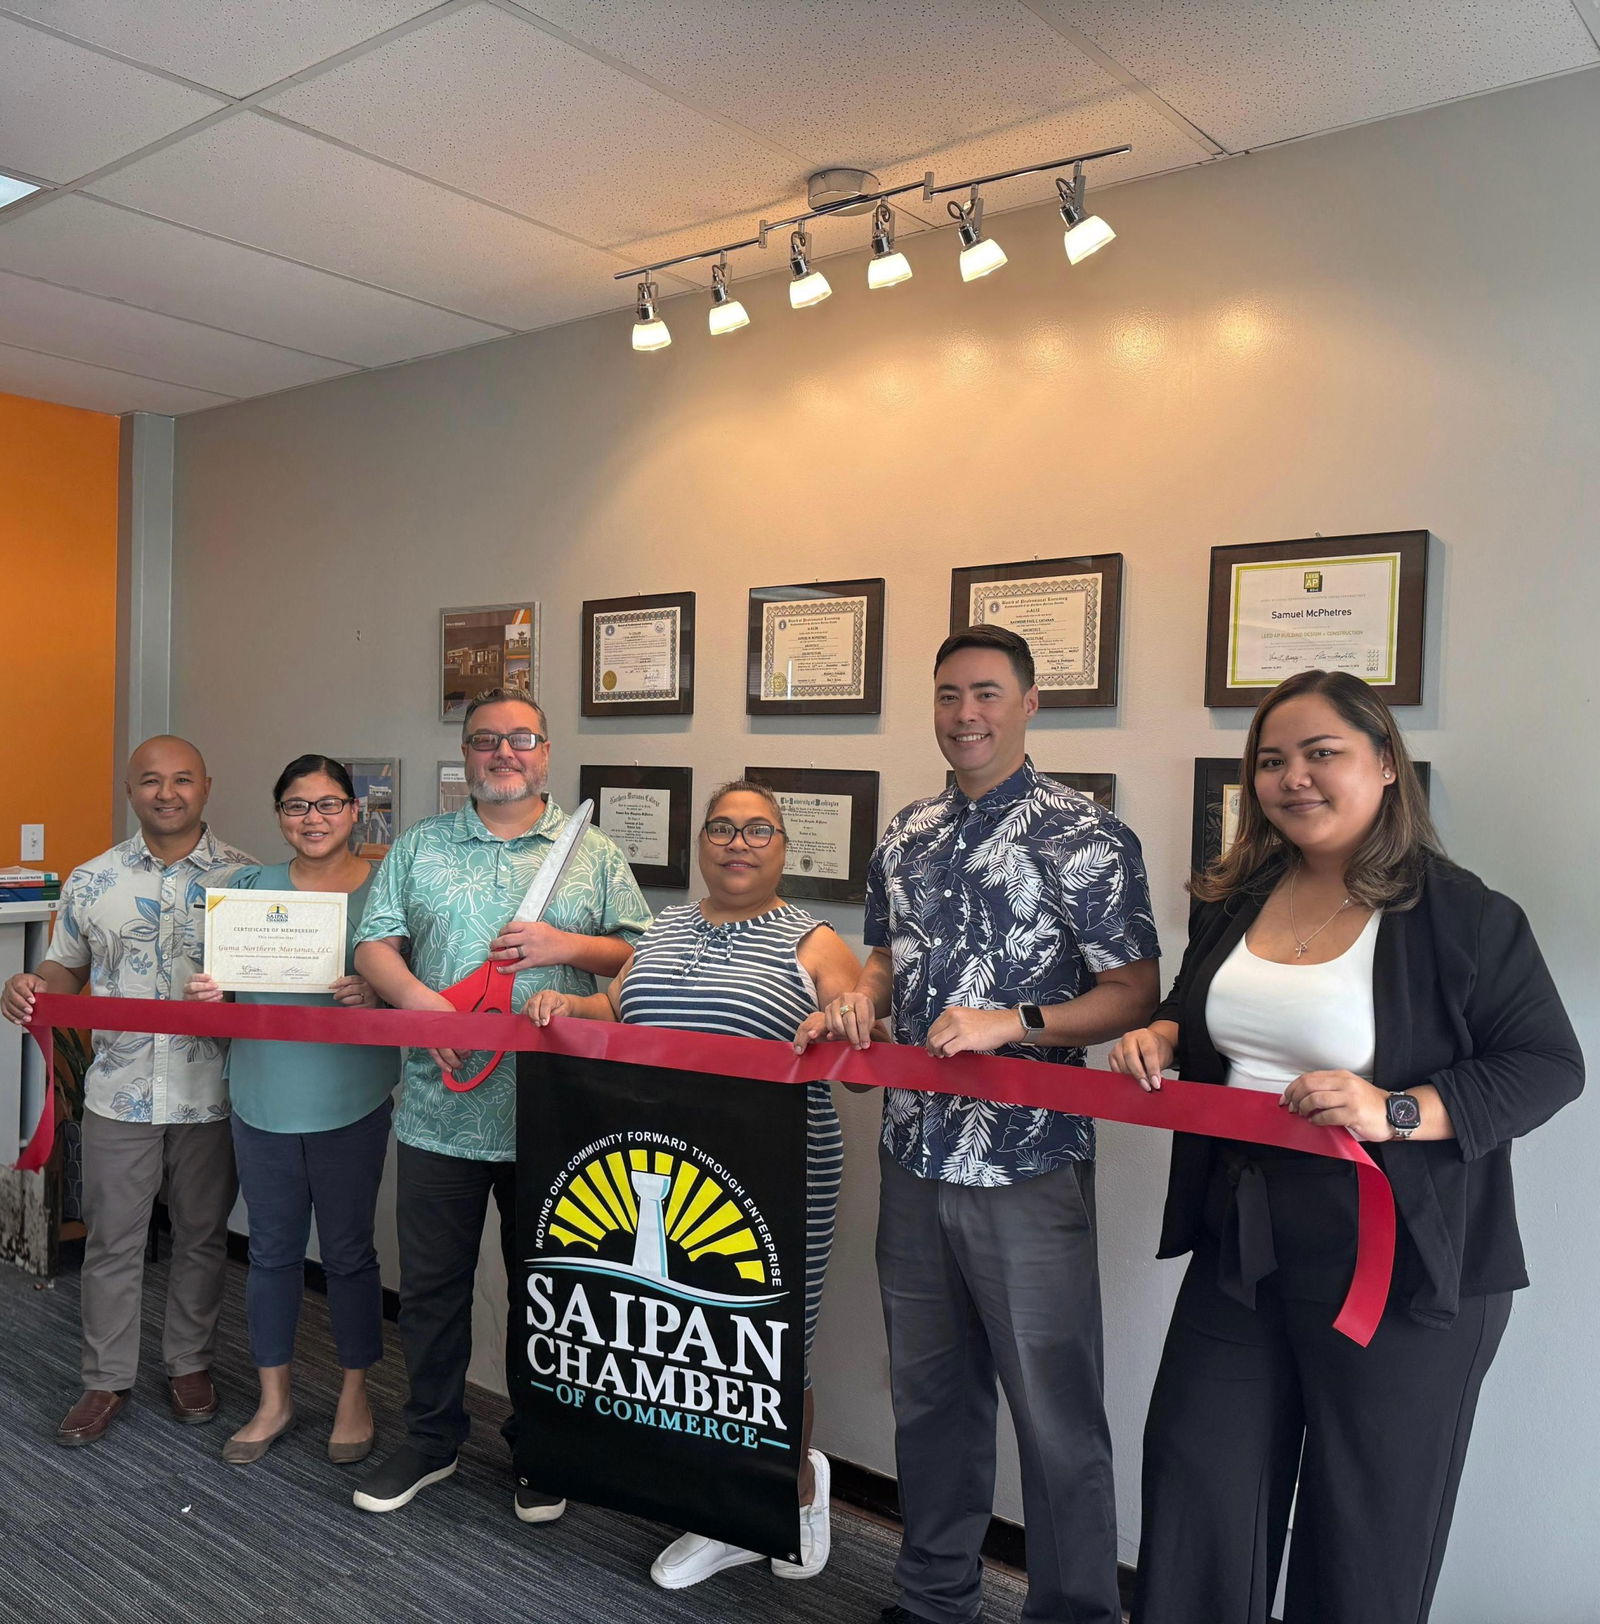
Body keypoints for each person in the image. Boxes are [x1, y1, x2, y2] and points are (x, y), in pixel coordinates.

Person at [1109, 668, 1584, 1624]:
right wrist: (1162, 1033)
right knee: (1199, 1485)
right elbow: (1206, 1007)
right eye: (1272, 761)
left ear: (1384, 764)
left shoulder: (1465, 916)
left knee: (1364, 1533)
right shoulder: (1236, 896)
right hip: (1245, 1244)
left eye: (1322, 753)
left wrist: (1395, 1110)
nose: (1293, 778)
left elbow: (1548, 1066)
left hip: (1404, 1262)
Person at [801, 625, 1161, 1624]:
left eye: (988, 693)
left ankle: (1075, 1610)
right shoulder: (906, 832)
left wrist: (1016, 1023)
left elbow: (1134, 992)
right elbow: (886, 958)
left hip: (1027, 1164)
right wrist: (861, 1000)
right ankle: (933, 1599)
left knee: (1054, 1411)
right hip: (914, 1154)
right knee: (931, 1399)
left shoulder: (1087, 835)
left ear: (1030, 702)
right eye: (950, 694)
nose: (967, 715)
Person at [527, 778, 863, 1591]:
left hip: (780, 1173)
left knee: (769, 1339)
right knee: (683, 1335)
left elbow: (859, 1057)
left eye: (758, 830)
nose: (738, 843)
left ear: (784, 847)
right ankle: (714, 1499)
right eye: (722, 828)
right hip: (670, 1166)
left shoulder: (815, 942)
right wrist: (564, 1005)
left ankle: (791, 1488)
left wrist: (846, 1022)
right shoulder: (665, 925)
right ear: (701, 842)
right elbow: (619, 1008)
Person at [349, 689, 650, 1519]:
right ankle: (431, 1438)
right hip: (438, 1112)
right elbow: (373, 944)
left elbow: (645, 958)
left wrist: (566, 946)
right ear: (467, 754)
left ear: (546, 752)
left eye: (521, 739)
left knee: (545, 1292)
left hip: (556, 1116)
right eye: (486, 740)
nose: (504, 753)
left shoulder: (593, 854)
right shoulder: (421, 845)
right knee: (431, 1290)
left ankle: (539, 1444)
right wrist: (424, 1009)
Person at [1, 737, 253, 1446]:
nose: (166, 793)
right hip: (119, 1092)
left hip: (212, 1091)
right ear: (130, 790)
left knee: (202, 1236)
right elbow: (65, 969)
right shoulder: (92, 880)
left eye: (182, 780)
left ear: (207, 786)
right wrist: (29, 985)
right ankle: (105, 1379)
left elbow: (264, 984)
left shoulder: (247, 879)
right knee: (113, 1241)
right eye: (150, 781)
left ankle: (189, 1364)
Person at [183, 755, 398, 1466]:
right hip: (262, 1097)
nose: (314, 818)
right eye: (297, 805)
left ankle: (354, 1395)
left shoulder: (386, 892)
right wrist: (212, 997)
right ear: (279, 815)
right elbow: (227, 1000)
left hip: (350, 1099)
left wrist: (375, 995)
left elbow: (415, 991)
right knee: (271, 1254)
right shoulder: (247, 892)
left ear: (355, 812)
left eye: (329, 804)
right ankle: (273, 1400)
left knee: (348, 1255)